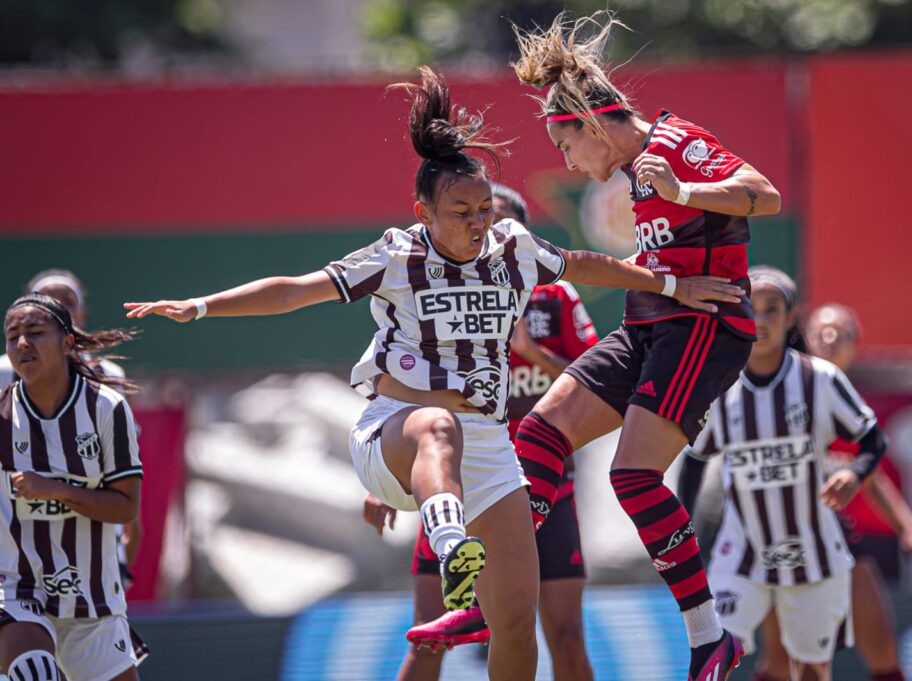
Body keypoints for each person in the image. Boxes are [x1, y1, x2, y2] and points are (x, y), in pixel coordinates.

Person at [124, 66, 742, 681]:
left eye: (483, 209)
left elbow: (585, 262)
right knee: (438, 425)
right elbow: (292, 292)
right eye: (461, 211)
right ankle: (453, 551)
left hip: (488, 448)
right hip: (395, 432)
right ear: (423, 211)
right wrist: (202, 305)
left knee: (517, 630)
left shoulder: (511, 249)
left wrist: (669, 282)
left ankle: (470, 581)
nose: (477, 223)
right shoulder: (396, 256)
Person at [504, 12, 781, 680]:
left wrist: (684, 187)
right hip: (652, 321)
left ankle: (710, 638)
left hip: (702, 328)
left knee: (631, 477)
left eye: (566, 145)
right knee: (539, 435)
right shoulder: (633, 172)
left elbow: (765, 195)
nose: (566, 161)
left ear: (592, 125)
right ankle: (500, 577)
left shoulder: (673, 143)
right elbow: (671, 247)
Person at [364, 183, 598, 681]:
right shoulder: (430, 289)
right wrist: (385, 475)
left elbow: (592, 382)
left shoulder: (554, 298)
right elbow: (396, 384)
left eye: (494, 222)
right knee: (430, 634)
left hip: (544, 488)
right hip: (456, 479)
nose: (482, 235)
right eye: (473, 223)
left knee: (564, 634)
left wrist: (531, 350)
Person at [678, 267, 891, 681]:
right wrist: (682, 533)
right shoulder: (720, 385)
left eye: (771, 310)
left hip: (813, 550)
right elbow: (695, 460)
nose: (759, 320)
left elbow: (873, 440)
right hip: (740, 552)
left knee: (811, 668)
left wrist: (855, 474)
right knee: (712, 652)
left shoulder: (821, 379)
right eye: (750, 308)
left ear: (791, 317)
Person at [749, 303, 912, 681]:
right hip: (787, 535)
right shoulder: (783, 391)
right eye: (822, 331)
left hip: (841, 538)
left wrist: (908, 528)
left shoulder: (851, 404)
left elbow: (872, 478)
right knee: (784, 660)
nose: (830, 339)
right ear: (806, 339)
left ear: (854, 347)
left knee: (881, 647)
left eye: (840, 333)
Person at [1, 294, 145, 681]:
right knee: (35, 671)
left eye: (35, 332)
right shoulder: (0, 413)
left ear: (68, 342)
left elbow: (125, 508)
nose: (22, 344)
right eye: (12, 336)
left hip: (93, 599)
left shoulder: (107, 408)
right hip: (18, 592)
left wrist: (57, 489)